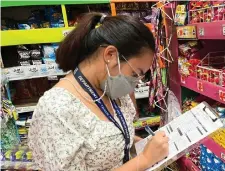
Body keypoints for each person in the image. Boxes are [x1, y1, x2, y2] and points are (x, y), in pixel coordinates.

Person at [28, 13, 169, 171]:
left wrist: (144, 144)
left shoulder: (112, 90)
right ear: (110, 54)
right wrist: (144, 159)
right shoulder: (56, 110)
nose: (136, 83)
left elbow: (112, 140)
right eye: (135, 73)